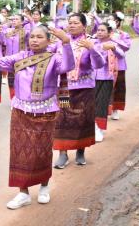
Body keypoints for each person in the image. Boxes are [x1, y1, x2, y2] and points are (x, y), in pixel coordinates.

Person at [0, 24, 74, 209]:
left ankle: (44, 187)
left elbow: (68, 66)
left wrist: (66, 43)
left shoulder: (54, 59)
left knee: (42, 151)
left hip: (45, 113)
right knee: (20, 152)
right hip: (20, 112)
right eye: (32, 36)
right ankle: (23, 193)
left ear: (49, 40)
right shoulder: (20, 57)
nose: (34, 40)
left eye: (40, 37)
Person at [53, 13, 106, 168]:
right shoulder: (61, 42)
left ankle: (80, 151)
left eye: (76, 23)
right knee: (62, 120)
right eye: (70, 22)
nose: (71, 25)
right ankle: (62, 154)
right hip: (64, 88)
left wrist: (92, 50)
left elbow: (99, 65)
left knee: (82, 121)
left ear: (84, 25)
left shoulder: (91, 41)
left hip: (84, 89)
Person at [93, 22, 125, 142]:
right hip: (91, 78)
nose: (99, 32)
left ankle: (99, 129)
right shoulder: (92, 43)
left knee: (101, 104)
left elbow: (121, 55)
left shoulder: (112, 43)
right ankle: (93, 127)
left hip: (106, 78)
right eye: (98, 30)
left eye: (102, 30)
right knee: (91, 104)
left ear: (108, 32)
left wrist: (113, 47)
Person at [2, 14, 30, 100]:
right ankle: (13, 99)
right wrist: (8, 21)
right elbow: (2, 28)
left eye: (16, 19)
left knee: (22, 80)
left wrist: (28, 19)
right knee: (11, 81)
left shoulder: (26, 31)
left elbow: (33, 30)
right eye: (13, 19)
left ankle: (22, 98)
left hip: (22, 60)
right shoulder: (8, 31)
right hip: (11, 60)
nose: (14, 21)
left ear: (22, 21)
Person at [109, 12, 131, 120]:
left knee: (119, 87)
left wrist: (114, 38)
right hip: (106, 66)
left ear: (117, 22)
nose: (109, 21)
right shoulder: (103, 33)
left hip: (119, 65)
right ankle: (105, 109)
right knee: (106, 88)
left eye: (111, 19)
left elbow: (126, 47)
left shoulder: (123, 35)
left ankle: (116, 109)